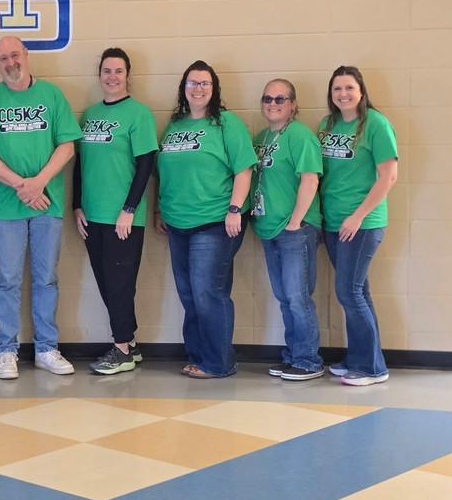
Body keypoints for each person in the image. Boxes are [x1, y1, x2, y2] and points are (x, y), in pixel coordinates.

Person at [0, 35, 83, 380]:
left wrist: (39, 183)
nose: (10, 63)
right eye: (3, 58)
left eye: (14, 55)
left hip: (46, 205)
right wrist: (23, 186)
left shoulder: (51, 95)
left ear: (26, 55)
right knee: (7, 280)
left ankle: (46, 348)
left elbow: (67, 146)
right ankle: (6, 350)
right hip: (8, 208)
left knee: (46, 279)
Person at [155, 61, 256, 379]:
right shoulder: (174, 126)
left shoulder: (227, 123)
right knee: (188, 293)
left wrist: (235, 210)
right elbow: (165, 172)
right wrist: (159, 210)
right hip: (176, 222)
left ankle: (219, 362)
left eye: (204, 83)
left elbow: (244, 168)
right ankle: (198, 356)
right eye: (192, 82)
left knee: (208, 292)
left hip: (215, 221)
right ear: (183, 88)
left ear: (214, 90)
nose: (198, 88)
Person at [73, 48, 157, 375]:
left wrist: (129, 209)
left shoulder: (139, 114)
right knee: (107, 283)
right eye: (107, 71)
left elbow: (146, 163)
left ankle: (120, 349)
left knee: (121, 283)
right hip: (92, 216)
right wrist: (77, 205)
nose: (112, 77)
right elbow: (81, 162)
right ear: (99, 75)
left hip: (124, 218)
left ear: (127, 75)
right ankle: (130, 343)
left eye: (118, 71)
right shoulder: (90, 114)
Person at [318, 66, 398, 386]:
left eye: (349, 88)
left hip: (362, 223)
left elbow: (388, 176)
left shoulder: (376, 124)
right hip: (334, 222)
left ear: (361, 91)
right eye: (337, 89)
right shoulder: (327, 124)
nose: (343, 94)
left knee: (348, 292)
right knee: (358, 291)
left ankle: (371, 368)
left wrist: (358, 215)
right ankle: (360, 357)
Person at [250, 79, 324, 381]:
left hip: (296, 228)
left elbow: (310, 180)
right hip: (270, 229)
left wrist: (295, 222)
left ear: (293, 103)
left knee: (298, 297)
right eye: (267, 98)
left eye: (281, 99)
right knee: (285, 298)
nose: (273, 104)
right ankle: (293, 355)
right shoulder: (262, 136)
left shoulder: (300, 135)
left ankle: (308, 360)